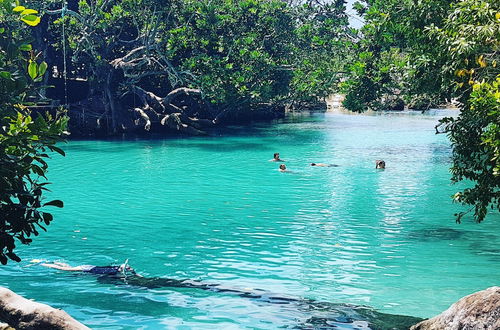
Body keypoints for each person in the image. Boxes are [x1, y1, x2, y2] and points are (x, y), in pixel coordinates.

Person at [41, 261, 136, 276]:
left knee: (70, 268)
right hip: (87, 269)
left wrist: (134, 272)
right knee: (66, 270)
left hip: (90, 267)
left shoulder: (114, 268)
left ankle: (57, 262)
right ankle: (44, 264)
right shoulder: (114, 272)